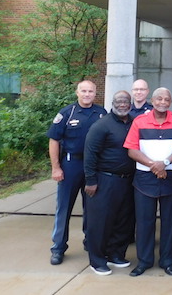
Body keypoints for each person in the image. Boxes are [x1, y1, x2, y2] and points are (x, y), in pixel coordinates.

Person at [123, 87, 172, 277]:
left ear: (170, 102)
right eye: (159, 98)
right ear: (153, 100)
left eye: (166, 99)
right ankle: (144, 261)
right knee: (144, 222)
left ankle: (167, 261)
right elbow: (131, 150)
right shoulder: (139, 121)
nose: (162, 102)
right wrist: (154, 165)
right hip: (145, 178)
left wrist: (165, 163)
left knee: (170, 222)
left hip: (170, 177)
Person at [47, 80, 106, 266]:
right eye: (84, 91)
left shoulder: (102, 113)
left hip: (94, 166)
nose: (87, 94)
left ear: (95, 93)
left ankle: (91, 242)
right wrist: (56, 167)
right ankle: (58, 247)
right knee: (64, 208)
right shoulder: (66, 113)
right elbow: (54, 140)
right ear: (77, 92)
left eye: (90, 91)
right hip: (71, 164)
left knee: (92, 208)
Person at [83, 90, 135, 275]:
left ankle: (116, 255)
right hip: (104, 180)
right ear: (113, 103)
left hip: (127, 181)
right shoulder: (101, 125)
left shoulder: (133, 122)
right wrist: (90, 180)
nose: (122, 104)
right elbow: (90, 155)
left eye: (126, 101)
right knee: (100, 222)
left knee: (123, 221)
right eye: (119, 101)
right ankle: (97, 260)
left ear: (130, 103)